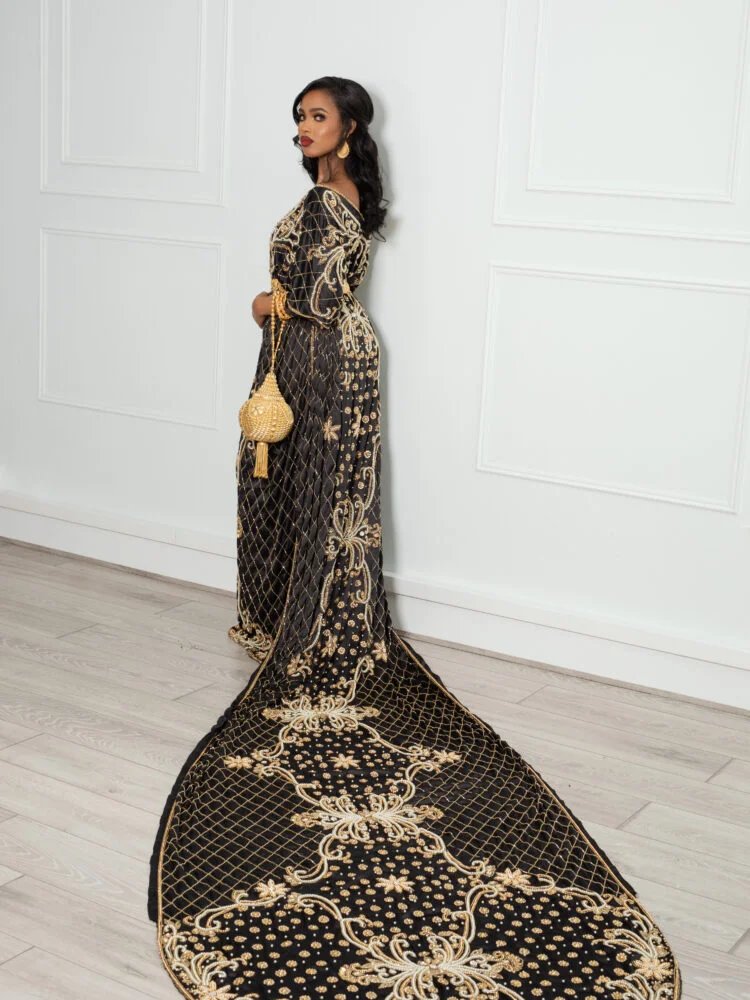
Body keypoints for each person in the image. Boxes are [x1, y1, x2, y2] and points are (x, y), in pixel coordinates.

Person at [147, 76, 682, 1000]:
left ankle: (321, 630)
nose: (303, 129)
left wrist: (267, 308)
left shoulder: (340, 196)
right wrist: (275, 318)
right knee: (288, 490)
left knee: (328, 501)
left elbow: (317, 297)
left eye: (317, 117)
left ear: (350, 126)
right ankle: (286, 613)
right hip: (302, 361)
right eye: (298, 118)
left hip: (328, 356)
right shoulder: (328, 193)